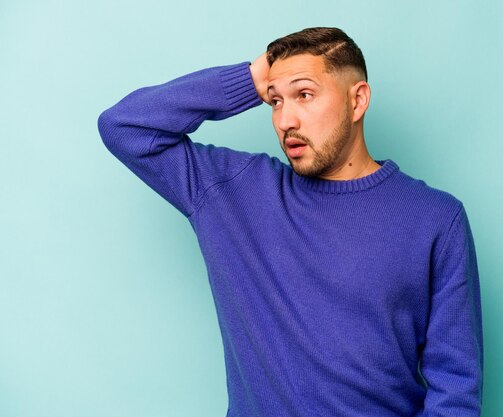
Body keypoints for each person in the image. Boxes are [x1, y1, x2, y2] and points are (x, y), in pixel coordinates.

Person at [98, 27, 483, 417]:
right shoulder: (233, 193)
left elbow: (455, 388)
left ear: (358, 100)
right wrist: (251, 79)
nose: (285, 120)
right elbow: (125, 126)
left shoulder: (435, 217)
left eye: (304, 94)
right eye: (275, 101)